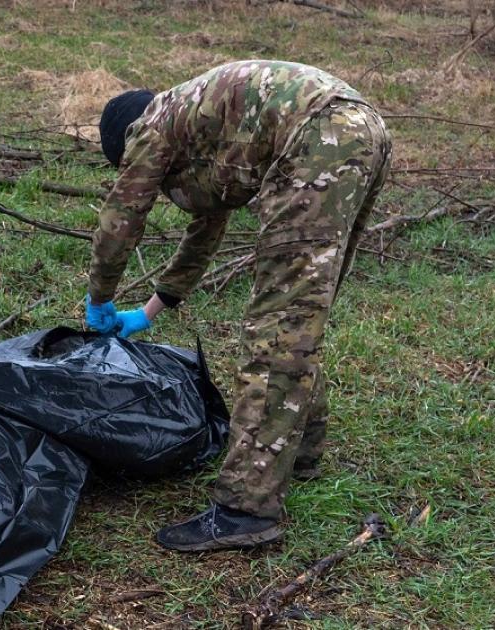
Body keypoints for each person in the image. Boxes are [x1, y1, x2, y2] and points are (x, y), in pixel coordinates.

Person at [85, 60, 392, 551]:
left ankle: (245, 508)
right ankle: (302, 454)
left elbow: (119, 222)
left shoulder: (151, 127)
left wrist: (99, 297)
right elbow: (206, 230)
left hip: (319, 137)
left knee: (277, 329)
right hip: (362, 129)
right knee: (300, 317)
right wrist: (148, 312)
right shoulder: (202, 126)